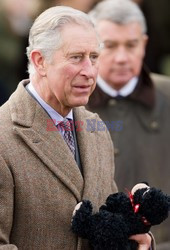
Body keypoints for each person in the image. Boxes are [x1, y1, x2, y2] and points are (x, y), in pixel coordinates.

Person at [0, 6, 153, 250]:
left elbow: (109, 216)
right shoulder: (3, 136)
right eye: (76, 57)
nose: (90, 72)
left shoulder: (97, 128)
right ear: (40, 61)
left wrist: (137, 240)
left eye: (93, 57)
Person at [88, 0, 170, 249]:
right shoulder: (67, 104)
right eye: (109, 46)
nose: (122, 58)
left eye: (131, 45)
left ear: (144, 44)